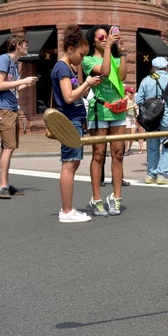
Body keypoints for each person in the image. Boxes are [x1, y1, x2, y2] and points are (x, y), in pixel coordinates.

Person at [51, 24, 103, 223]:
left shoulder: (66, 68)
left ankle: (68, 209)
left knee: (72, 163)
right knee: (69, 164)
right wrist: (87, 83)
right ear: (71, 49)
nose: (82, 60)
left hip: (74, 120)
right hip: (70, 120)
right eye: (81, 55)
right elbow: (69, 96)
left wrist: (86, 85)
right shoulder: (63, 68)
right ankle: (66, 210)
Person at [82, 24, 126, 216]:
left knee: (118, 154)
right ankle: (97, 198)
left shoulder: (115, 57)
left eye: (106, 37)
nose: (104, 39)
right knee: (98, 154)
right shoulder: (88, 60)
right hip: (99, 110)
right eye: (100, 37)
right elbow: (105, 72)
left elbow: (122, 76)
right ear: (92, 40)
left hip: (118, 111)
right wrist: (108, 47)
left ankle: (116, 197)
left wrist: (122, 54)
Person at [0, 34, 38, 199]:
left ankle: (5, 183)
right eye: (25, 44)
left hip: (10, 107)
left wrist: (24, 84)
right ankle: (3, 185)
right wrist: (22, 81)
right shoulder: (3, 60)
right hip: (3, 109)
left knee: (8, 147)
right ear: (18, 45)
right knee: (8, 147)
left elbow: (10, 87)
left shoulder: (13, 63)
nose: (27, 47)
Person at [135, 57, 168, 185]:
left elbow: (138, 100)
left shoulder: (146, 80)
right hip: (167, 118)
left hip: (150, 119)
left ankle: (151, 174)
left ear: (153, 67)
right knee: (167, 146)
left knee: (152, 147)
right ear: (166, 68)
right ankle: (163, 175)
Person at [124, 86, 143, 156]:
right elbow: (124, 109)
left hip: (133, 117)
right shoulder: (125, 99)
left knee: (132, 135)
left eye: (133, 93)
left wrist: (136, 114)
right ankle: (126, 149)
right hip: (127, 117)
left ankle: (129, 148)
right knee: (127, 135)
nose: (132, 94)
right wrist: (133, 106)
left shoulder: (133, 100)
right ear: (127, 92)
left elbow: (135, 109)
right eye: (131, 93)